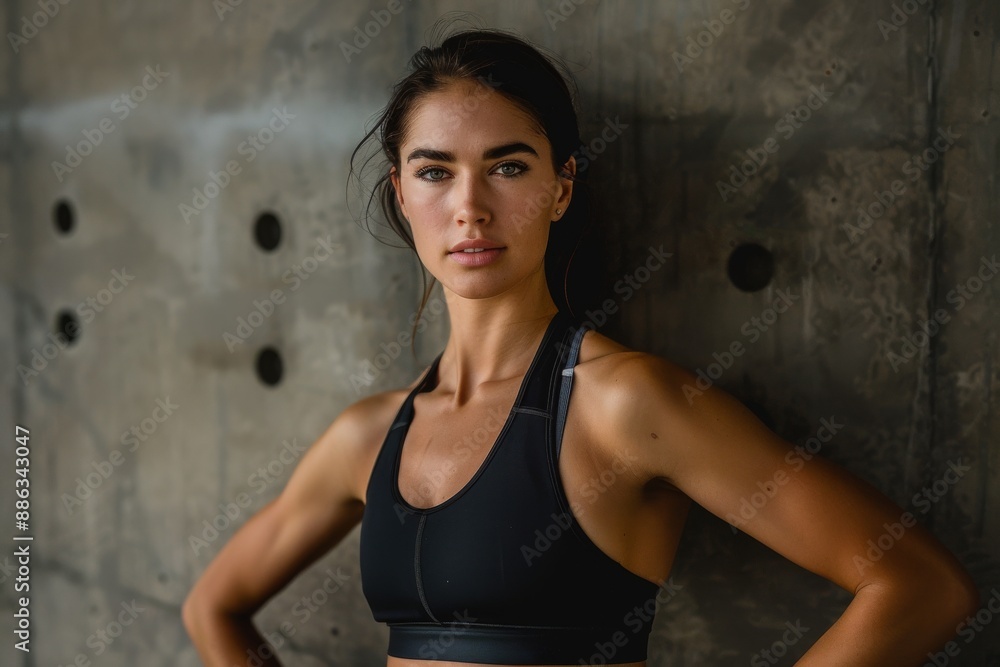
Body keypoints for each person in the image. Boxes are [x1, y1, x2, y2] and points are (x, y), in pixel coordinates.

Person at [182, 23, 981, 667]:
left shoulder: (625, 403)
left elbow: (919, 585)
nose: (470, 207)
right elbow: (212, 606)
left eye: (507, 167)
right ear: (400, 191)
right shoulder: (366, 436)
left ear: (561, 186)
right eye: (434, 171)